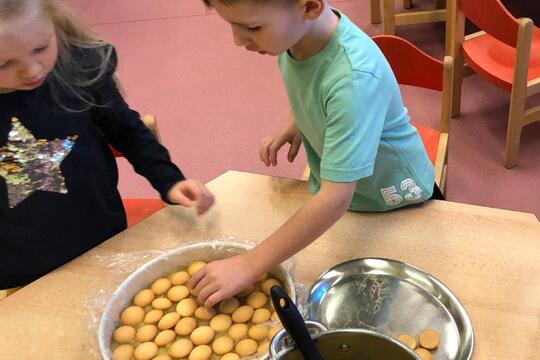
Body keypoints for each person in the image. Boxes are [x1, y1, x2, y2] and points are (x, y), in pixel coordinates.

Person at [189, 0, 442, 307]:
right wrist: (295, 120)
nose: (237, 40)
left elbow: (334, 198)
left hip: (395, 201)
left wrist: (251, 263)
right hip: (349, 196)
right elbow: (314, 82)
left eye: (252, 27)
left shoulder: (354, 78)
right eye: (231, 24)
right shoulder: (295, 37)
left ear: (309, 7)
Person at [0, 0, 214, 294]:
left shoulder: (78, 69)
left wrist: (169, 179)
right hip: (23, 264)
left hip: (101, 235)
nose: (31, 69)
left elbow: (126, 129)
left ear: (53, 25)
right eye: (3, 64)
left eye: (41, 48)